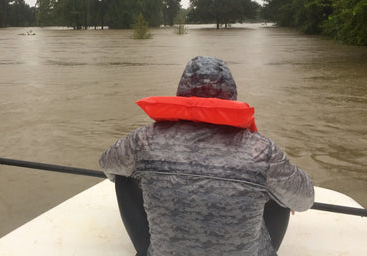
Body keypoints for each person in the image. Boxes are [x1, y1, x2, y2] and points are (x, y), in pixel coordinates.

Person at [99, 56, 314, 256]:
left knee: (123, 175)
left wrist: (142, 176)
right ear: (232, 95)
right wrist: (283, 193)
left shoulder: (142, 140)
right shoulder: (262, 151)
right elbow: (305, 199)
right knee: (282, 188)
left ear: (181, 94)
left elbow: (106, 163)